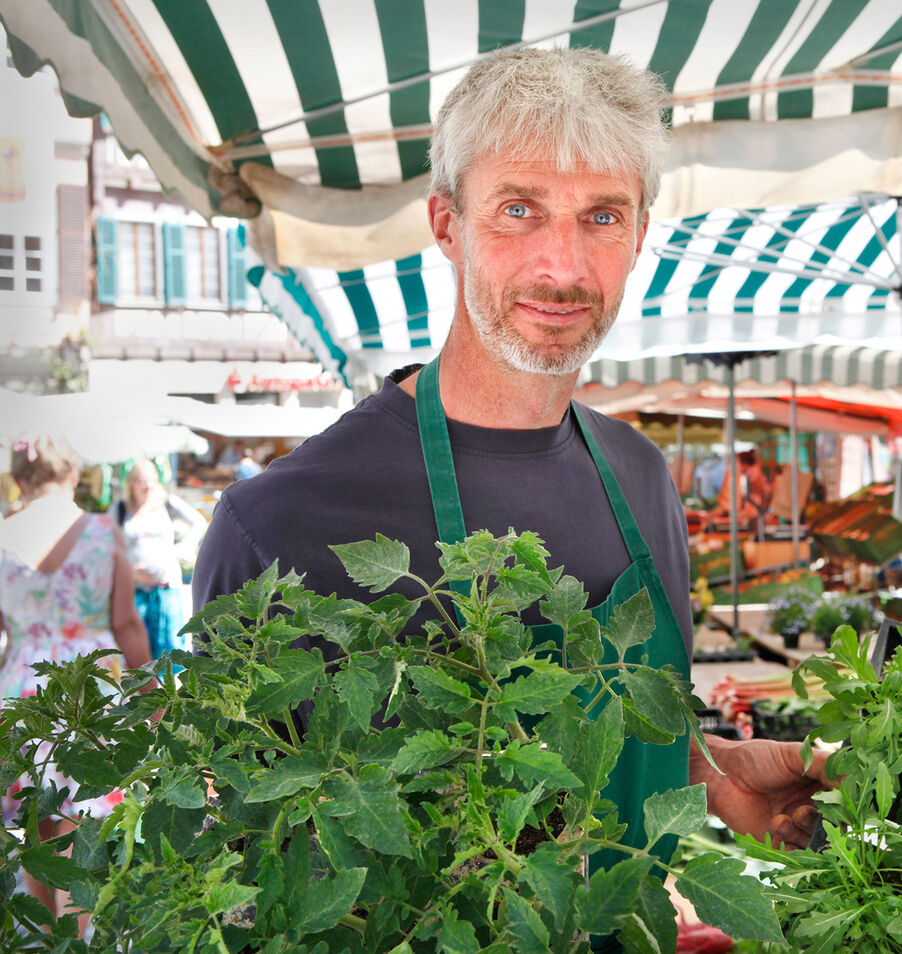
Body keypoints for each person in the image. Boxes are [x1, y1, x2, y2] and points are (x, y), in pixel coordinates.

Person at [193, 47, 830, 876]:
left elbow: (608, 738)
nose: (562, 267)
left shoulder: (641, 475)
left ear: (640, 234)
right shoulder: (274, 527)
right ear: (447, 225)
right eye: (519, 210)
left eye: (602, 216)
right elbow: (242, 872)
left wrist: (712, 773)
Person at [1, 433, 152, 925]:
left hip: (22, 688)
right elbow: (126, 624)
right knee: (86, 815)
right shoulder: (100, 531)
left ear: (19, 479)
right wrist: (151, 696)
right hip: (88, 686)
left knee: (35, 819)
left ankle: (48, 932)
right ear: (72, 475)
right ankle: (80, 932)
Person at [112, 459, 207, 662]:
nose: (147, 486)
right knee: (134, 648)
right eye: (141, 481)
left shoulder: (167, 503)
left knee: (170, 648)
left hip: (166, 586)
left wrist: (182, 549)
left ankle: (166, 683)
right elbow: (106, 544)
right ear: (131, 484)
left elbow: (198, 522)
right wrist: (128, 571)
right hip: (134, 589)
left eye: (152, 481)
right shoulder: (119, 509)